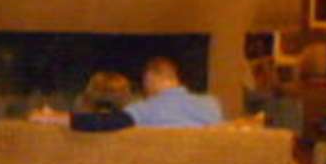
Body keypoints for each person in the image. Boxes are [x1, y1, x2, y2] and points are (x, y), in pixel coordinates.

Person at [32, 56, 221, 131]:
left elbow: (104, 123)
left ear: (150, 77)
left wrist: (53, 118)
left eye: (145, 83)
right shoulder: (211, 104)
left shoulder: (148, 108)